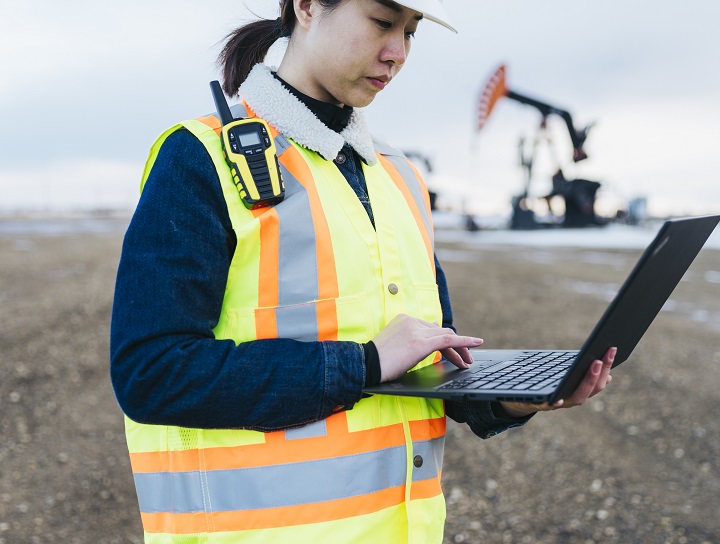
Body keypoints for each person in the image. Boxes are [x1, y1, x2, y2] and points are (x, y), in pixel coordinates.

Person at [110, 1, 616, 542]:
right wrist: (364, 364)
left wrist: (512, 399)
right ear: (306, 7)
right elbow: (151, 373)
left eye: (411, 33)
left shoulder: (399, 176)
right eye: (382, 22)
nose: (397, 53)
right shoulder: (200, 159)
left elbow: (428, 365)